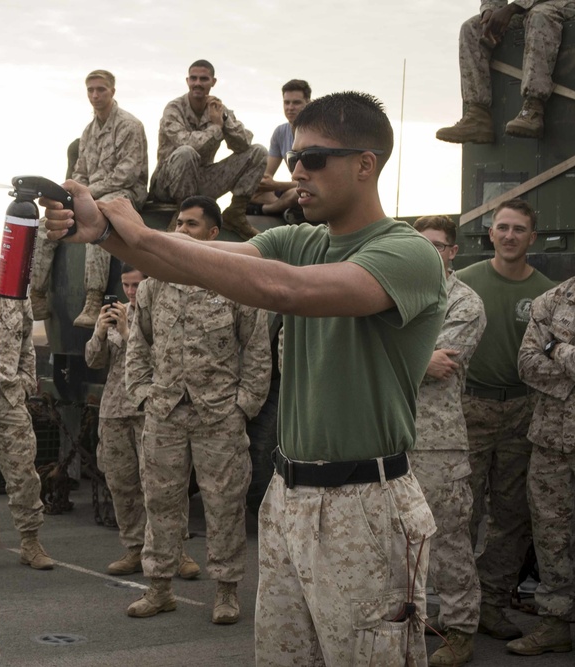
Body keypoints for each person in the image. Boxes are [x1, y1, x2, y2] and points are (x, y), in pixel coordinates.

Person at [42, 91, 446, 664]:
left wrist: (144, 234)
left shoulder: (405, 253)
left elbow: (286, 291)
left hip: (366, 502)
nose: (296, 171)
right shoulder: (298, 239)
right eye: (295, 158)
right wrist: (105, 234)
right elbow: (193, 266)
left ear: (365, 163)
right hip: (289, 493)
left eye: (315, 158)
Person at [124, 196, 271, 625]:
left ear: (213, 233)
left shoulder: (234, 283)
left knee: (225, 503)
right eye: (178, 224)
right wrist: (143, 394)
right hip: (165, 412)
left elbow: (257, 350)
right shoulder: (153, 285)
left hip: (219, 415)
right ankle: (159, 587)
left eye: (191, 225)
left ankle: (226, 591)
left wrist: (243, 405)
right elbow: (138, 345)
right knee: (160, 501)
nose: (182, 231)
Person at [455, 198, 556, 640]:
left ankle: (491, 604)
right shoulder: (463, 284)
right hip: (470, 408)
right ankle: (457, 605)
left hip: (522, 410)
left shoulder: (549, 295)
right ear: (490, 234)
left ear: (532, 238)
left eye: (519, 229)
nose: (510, 235)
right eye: (503, 228)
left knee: (512, 516)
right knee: (461, 510)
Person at [85, 262, 200, 579]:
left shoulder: (160, 317)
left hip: (150, 410)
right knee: (122, 485)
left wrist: (127, 333)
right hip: (114, 411)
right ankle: (134, 549)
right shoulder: (115, 315)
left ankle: (177, 552)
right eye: (126, 285)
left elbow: (166, 362)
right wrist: (99, 332)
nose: (131, 293)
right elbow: (94, 360)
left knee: (164, 486)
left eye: (136, 285)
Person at [410, 215, 487, 666]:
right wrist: (417, 358)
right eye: (421, 246)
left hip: (437, 440)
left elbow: (443, 364)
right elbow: (418, 359)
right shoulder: (395, 289)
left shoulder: (464, 301)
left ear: (453, 251)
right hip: (388, 432)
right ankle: (410, 617)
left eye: (438, 246)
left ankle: (459, 629)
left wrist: (390, 356)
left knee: (447, 538)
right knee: (393, 536)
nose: (430, 253)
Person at [0, 224, 54, 571]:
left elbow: (26, 340)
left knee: (23, 473)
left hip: (8, 397)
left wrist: (27, 380)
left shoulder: (16, 293)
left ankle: (30, 542)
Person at [29, 69, 148, 327]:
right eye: (90, 90)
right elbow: (80, 170)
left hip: (124, 194)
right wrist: (69, 194)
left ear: (112, 92)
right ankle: (37, 294)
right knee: (44, 224)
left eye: (101, 89)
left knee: (97, 219)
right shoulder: (88, 132)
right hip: (93, 193)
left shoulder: (130, 125)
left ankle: (94, 298)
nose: (95, 95)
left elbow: (127, 174)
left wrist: (88, 194)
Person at [511, 276, 575, 656]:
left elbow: (545, 354)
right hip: (553, 441)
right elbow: (527, 364)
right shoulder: (551, 300)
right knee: (552, 536)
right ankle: (555, 624)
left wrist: (557, 348)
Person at [149, 59, 267, 239]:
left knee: (258, 151)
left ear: (213, 82)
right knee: (187, 152)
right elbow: (187, 144)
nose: (197, 83)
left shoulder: (218, 109)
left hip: (201, 180)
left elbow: (243, 145)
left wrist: (224, 119)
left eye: (203, 79)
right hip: (168, 184)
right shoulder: (174, 109)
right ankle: (183, 214)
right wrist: (216, 128)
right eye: (193, 78)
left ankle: (235, 213)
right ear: (187, 81)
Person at [436, 0, 575, 143]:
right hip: (527, 8)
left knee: (539, 16)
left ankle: (533, 109)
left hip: (563, 4)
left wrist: (512, 8)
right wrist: (490, 11)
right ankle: (477, 117)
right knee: (471, 28)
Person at [251, 79, 311, 222]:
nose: (290, 107)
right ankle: (282, 207)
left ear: (308, 103)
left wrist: (276, 185)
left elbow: (314, 183)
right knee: (249, 189)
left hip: (308, 189)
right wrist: (262, 185)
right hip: (289, 188)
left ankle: (265, 209)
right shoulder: (280, 132)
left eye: (296, 103)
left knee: (295, 195)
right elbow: (267, 174)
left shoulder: (315, 133)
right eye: (286, 102)